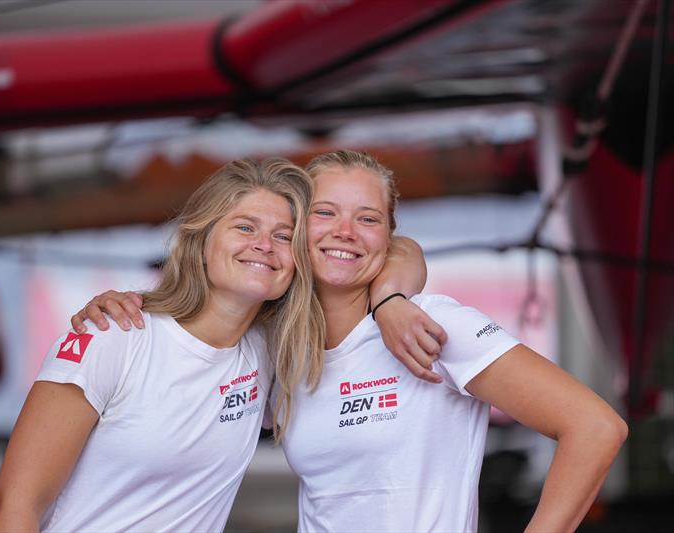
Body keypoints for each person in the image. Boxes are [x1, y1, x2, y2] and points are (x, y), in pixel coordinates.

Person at [79, 150, 627, 533]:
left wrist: (390, 301)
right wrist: (132, 304)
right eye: (325, 212)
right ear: (296, 229)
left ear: (387, 237)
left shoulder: (433, 326)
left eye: (367, 218)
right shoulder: (277, 349)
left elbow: (596, 427)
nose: (345, 231)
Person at [0, 158, 324, 532]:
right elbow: (16, 505)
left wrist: (392, 302)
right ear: (201, 240)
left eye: (283, 236)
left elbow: (371, 257)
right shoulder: (112, 334)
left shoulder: (269, 355)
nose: (264, 245)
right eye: (245, 227)